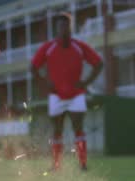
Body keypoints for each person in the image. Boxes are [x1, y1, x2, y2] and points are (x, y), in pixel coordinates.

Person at [31, 13, 103, 171]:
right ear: (56, 28)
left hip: (76, 95)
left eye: (66, 25)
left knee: (79, 127)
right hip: (56, 95)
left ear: (71, 28)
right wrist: (45, 83)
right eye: (60, 26)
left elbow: (98, 63)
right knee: (57, 129)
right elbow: (34, 67)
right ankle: (56, 164)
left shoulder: (79, 46)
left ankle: (83, 163)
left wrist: (86, 82)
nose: (63, 29)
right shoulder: (48, 47)